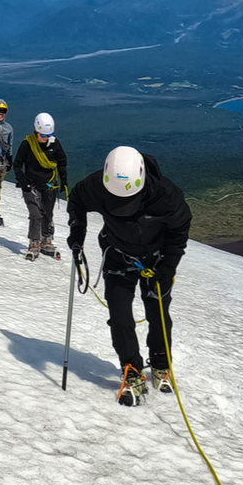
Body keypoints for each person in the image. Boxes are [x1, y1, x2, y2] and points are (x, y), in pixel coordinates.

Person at [67, 145, 191, 406]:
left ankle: (160, 363)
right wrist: (77, 232)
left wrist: (169, 265)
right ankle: (131, 368)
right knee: (120, 316)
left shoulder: (165, 194)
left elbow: (180, 228)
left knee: (158, 313)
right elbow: (76, 199)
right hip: (118, 254)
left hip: (157, 260)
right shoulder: (98, 185)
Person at [13, 112, 68, 261]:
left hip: (49, 185)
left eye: (48, 135)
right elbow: (17, 164)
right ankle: (34, 243)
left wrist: (64, 181)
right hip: (31, 185)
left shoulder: (55, 144)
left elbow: (62, 162)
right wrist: (23, 182)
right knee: (36, 214)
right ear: (36, 131)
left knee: (48, 214)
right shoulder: (27, 144)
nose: (46, 138)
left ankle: (46, 241)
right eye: (43, 135)